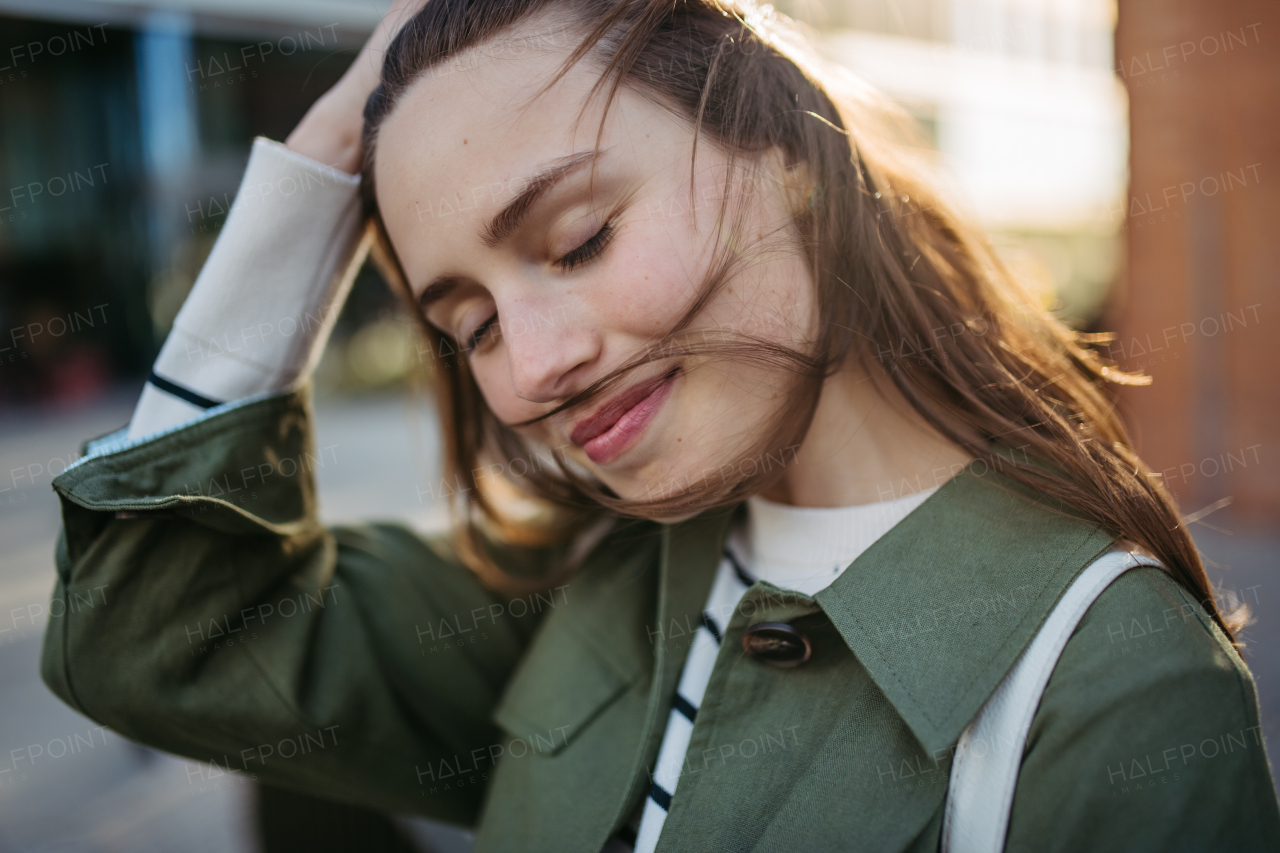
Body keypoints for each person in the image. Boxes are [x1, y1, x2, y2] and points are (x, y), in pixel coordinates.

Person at [41, 1, 1280, 851]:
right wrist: (321, 156)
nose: (532, 368)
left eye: (578, 240)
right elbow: (162, 634)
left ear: (787, 154)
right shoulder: (583, 587)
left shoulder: (1110, 691)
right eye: (466, 322)